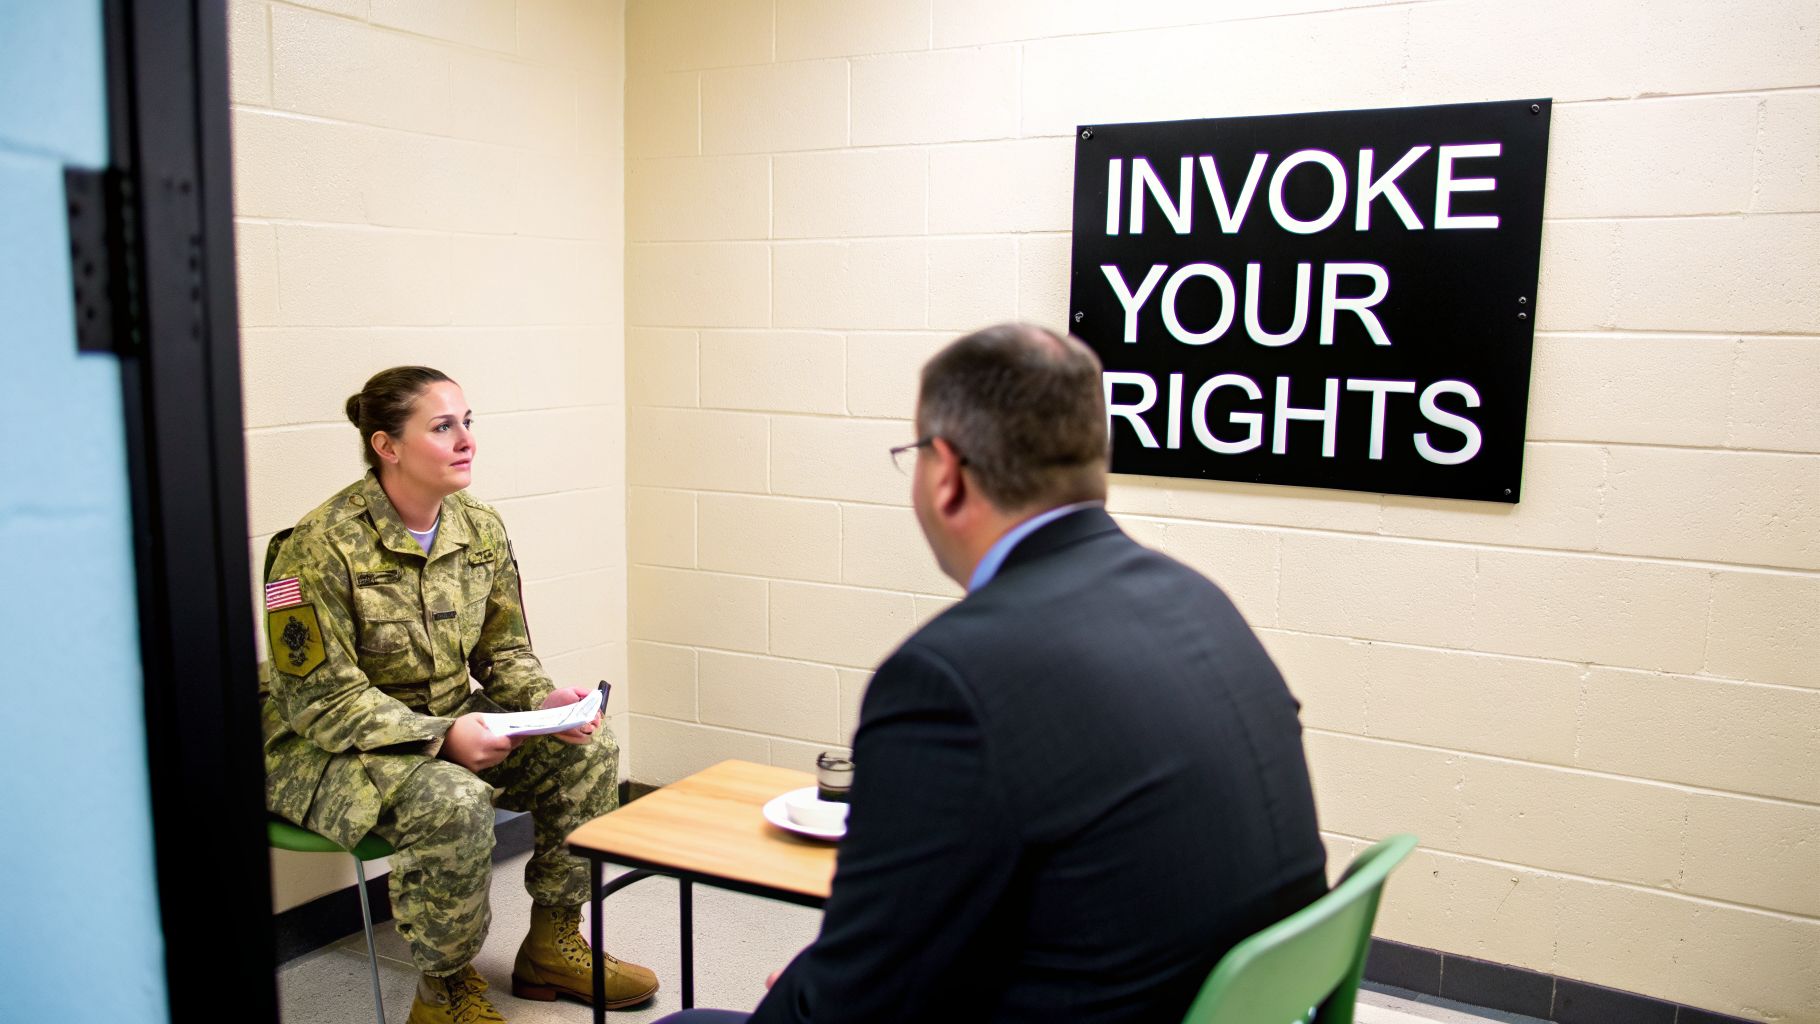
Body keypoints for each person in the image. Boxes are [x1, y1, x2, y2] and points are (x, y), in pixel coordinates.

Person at [659, 323, 1328, 1024]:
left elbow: (850, 1002)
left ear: (947, 473)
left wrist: (809, 993)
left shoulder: (946, 679)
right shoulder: (1197, 600)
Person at [259, 366, 658, 1024]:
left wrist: (546, 701)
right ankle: (442, 992)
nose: (466, 439)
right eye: (443, 427)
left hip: (440, 724)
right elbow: (320, 699)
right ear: (388, 446)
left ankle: (553, 946)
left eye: (468, 422)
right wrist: (441, 737)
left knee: (586, 750)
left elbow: (502, 652)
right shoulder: (316, 547)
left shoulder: (478, 527)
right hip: (320, 748)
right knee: (453, 798)